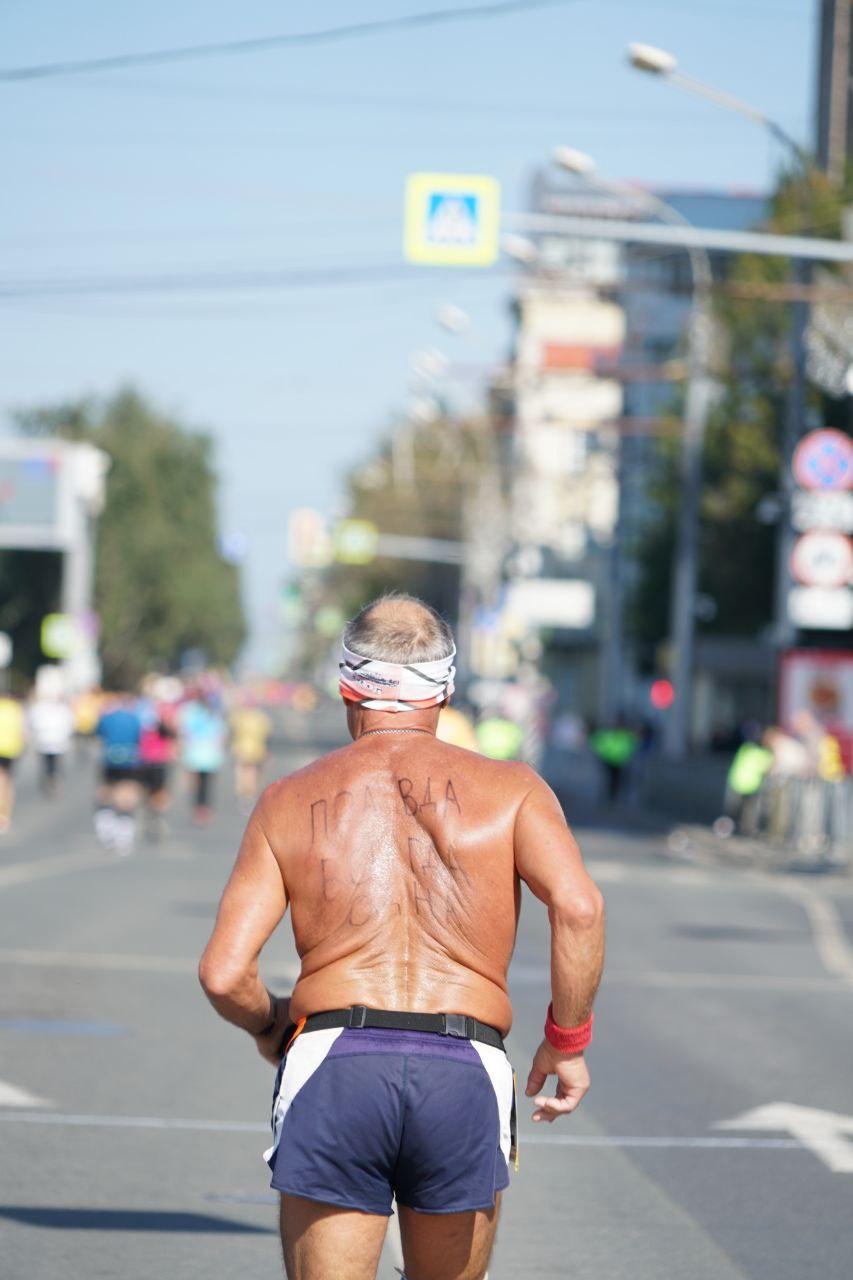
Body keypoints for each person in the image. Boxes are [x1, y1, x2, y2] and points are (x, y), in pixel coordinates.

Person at [199, 594, 605, 1280]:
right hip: (463, 1058)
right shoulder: (513, 790)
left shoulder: (289, 798)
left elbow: (222, 973)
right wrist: (565, 1043)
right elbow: (578, 910)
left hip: (335, 1056)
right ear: (444, 690)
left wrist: (271, 1028)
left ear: (347, 686)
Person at [95, 694, 143, 854]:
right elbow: (138, 738)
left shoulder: (107, 718)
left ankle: (106, 822)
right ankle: (123, 831)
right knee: (126, 792)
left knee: (108, 789)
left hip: (111, 757)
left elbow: (99, 734)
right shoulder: (134, 718)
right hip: (129, 759)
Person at [179, 690, 226, 823]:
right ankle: (204, 808)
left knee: (197, 783)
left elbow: (184, 732)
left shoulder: (190, 711)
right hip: (209, 755)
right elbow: (221, 734)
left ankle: (198, 808)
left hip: (195, 754)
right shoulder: (213, 712)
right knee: (206, 784)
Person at [28, 677, 74, 796]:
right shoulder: (60, 708)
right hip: (54, 742)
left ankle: (51, 779)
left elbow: (33, 722)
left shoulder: (42, 707)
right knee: (53, 764)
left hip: (49, 741)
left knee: (50, 764)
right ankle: (52, 780)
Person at [229, 694, 273, 811]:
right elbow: (267, 734)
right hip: (256, 750)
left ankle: (245, 796)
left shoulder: (239, 716)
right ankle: (248, 796)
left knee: (243, 774)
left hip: (243, 749)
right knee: (252, 774)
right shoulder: (261, 717)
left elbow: (232, 731)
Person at [0, 692, 26, 833]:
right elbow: (23, 731)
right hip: (11, 749)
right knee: (8, 782)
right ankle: (5, 814)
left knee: (2, 780)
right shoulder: (16, 708)